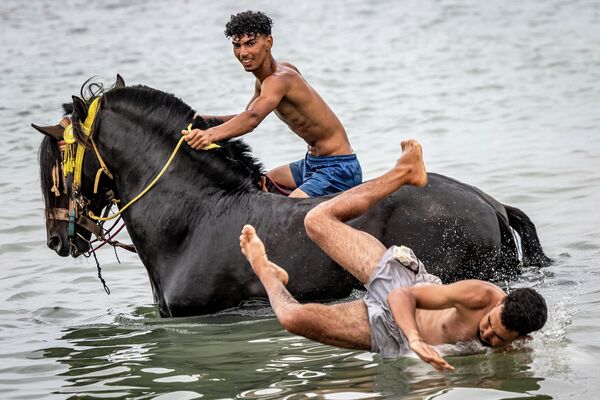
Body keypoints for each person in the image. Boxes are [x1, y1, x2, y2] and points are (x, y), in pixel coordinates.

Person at [238, 140, 547, 371]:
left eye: (498, 338)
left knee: (292, 318)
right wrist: (415, 340)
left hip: (387, 330)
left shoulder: (517, 338)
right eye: (491, 324)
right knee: (315, 222)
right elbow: (402, 298)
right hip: (404, 286)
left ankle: (268, 274)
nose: (488, 333)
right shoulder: (481, 295)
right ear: (500, 302)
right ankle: (401, 174)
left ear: (518, 337)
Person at [183, 10, 362, 198]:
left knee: (289, 213)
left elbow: (252, 120)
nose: (243, 53)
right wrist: (202, 120)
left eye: (250, 44)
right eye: (237, 45)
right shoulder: (265, 81)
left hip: (339, 167)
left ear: (268, 42)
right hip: (311, 163)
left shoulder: (279, 80)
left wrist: (209, 135)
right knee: (263, 182)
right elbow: (246, 114)